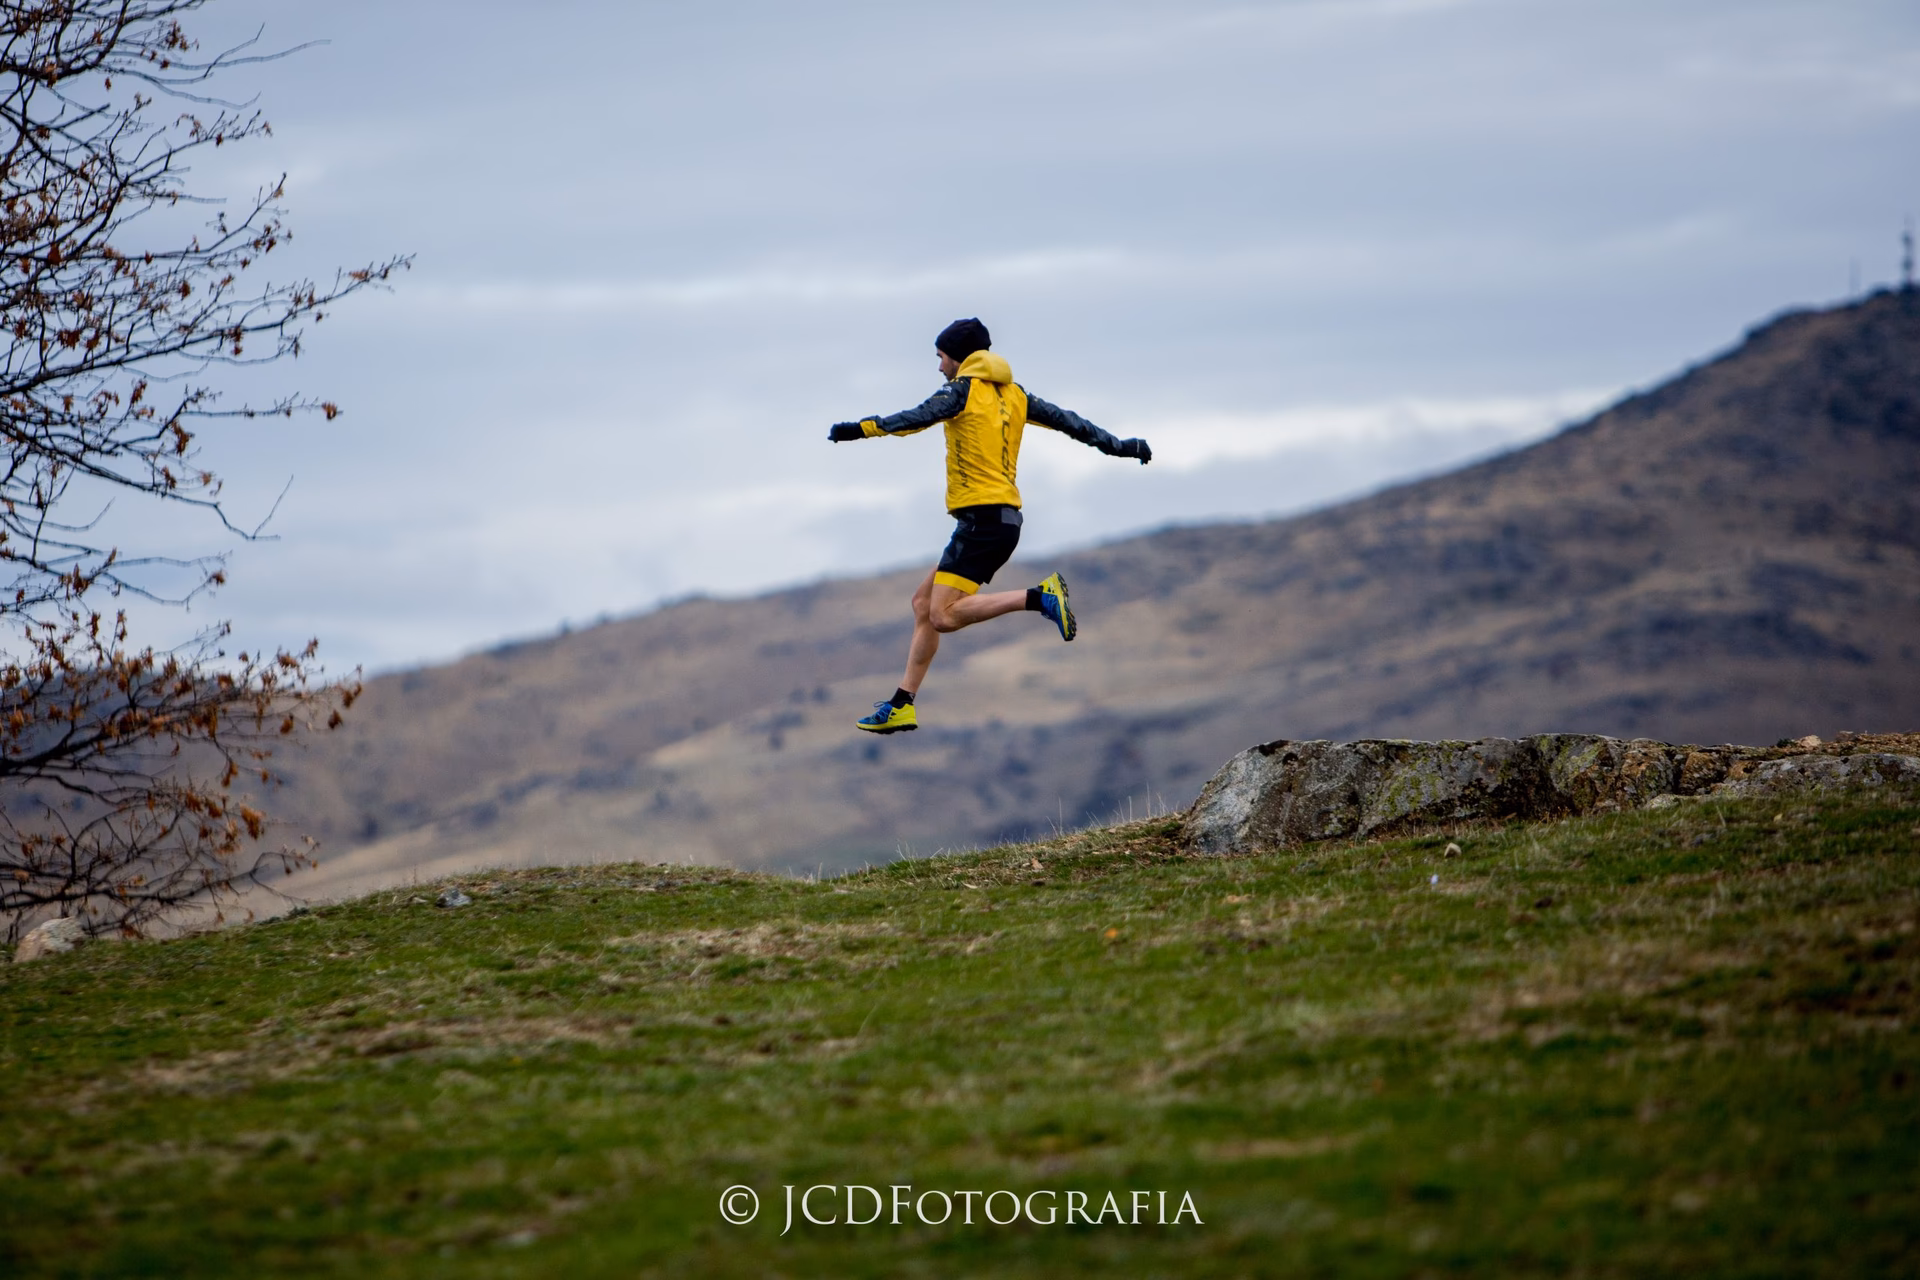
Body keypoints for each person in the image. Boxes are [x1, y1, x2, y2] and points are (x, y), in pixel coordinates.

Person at [828, 317, 1152, 734]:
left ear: (959, 357)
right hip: (998, 520)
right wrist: (1123, 447)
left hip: (982, 522)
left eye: (941, 357)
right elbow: (1074, 423)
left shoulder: (961, 392)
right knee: (923, 605)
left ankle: (1040, 597)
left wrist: (859, 429)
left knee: (942, 616)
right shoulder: (1016, 395)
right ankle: (901, 704)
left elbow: (916, 417)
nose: (939, 367)